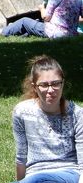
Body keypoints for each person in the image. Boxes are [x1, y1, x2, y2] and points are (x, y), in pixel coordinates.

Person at [11, 55, 83, 183]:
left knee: (40, 179)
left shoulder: (77, 114)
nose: (51, 90)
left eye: (56, 84)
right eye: (44, 85)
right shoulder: (21, 112)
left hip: (69, 174)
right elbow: (21, 156)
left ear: (63, 84)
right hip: (35, 173)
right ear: (34, 87)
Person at [0, 0, 83, 39]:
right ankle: (13, 32)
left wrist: (42, 8)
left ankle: (2, 33)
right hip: (72, 34)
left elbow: (46, 17)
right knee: (36, 24)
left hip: (56, 33)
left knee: (24, 21)